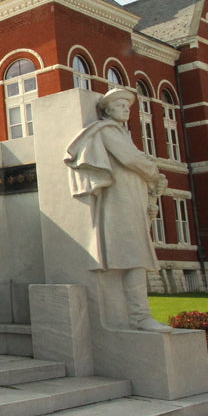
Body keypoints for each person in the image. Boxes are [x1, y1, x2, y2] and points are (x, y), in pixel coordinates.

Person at [65, 87, 173, 332]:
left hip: (131, 197)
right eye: (120, 105)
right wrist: (153, 172)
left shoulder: (123, 133)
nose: (126, 109)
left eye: (127, 106)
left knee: (136, 253)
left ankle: (138, 314)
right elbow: (131, 159)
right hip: (119, 199)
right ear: (107, 110)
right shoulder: (108, 131)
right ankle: (138, 315)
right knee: (133, 253)